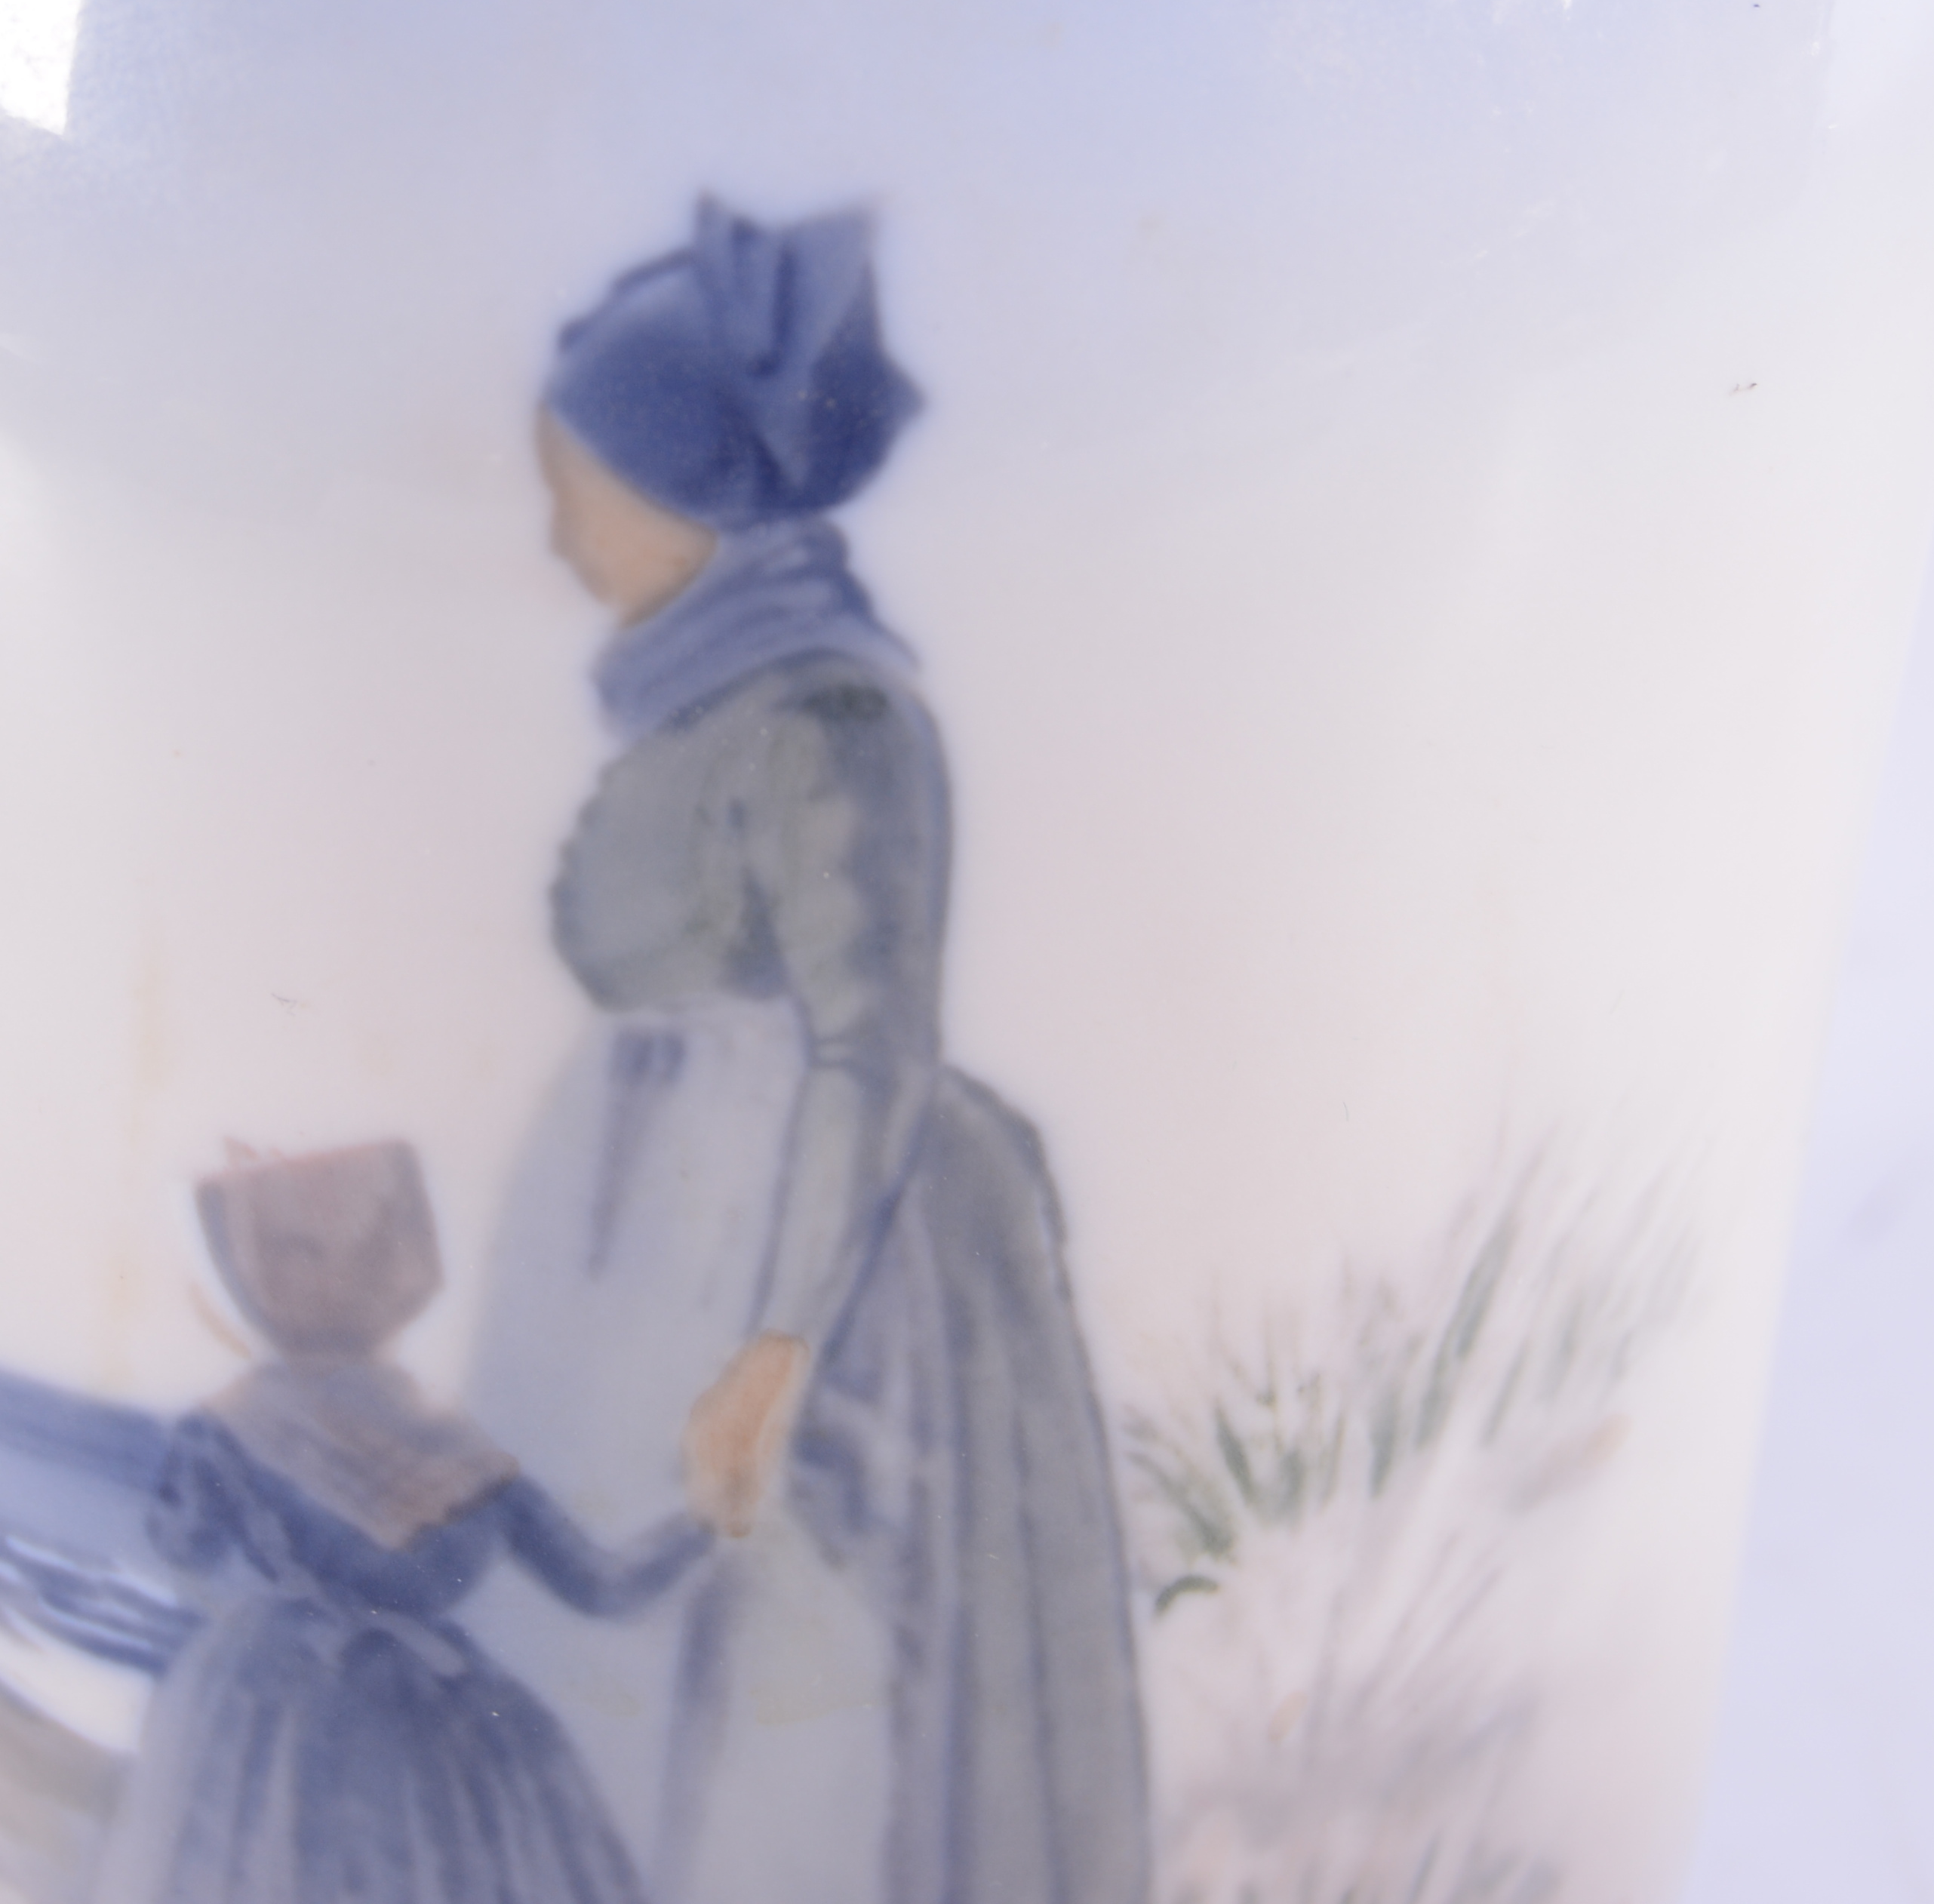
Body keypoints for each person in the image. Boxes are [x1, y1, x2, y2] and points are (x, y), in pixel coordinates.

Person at [461, 200, 1151, 1904]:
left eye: (582, 490)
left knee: (800, 1678)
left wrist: (777, 1349)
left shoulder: (834, 717)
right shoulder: (690, 711)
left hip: (823, 1268)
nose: (561, 537)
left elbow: (871, 1047)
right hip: (651, 1251)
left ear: (682, 492)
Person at [93, 1142, 715, 1904]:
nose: (322, 1280)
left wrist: (714, 1514)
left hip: (390, 1726)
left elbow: (601, 1585)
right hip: (344, 1723)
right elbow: (603, 1586)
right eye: (291, 1254)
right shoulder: (262, 1425)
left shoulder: (434, 1446)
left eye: (351, 1253)